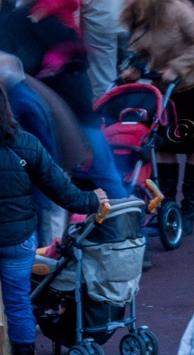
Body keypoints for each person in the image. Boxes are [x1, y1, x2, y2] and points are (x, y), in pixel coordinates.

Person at [0, 80, 109, 355]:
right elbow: (64, 193)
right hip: (18, 238)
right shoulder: (26, 144)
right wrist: (93, 199)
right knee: (18, 302)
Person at [119, 0, 194, 232]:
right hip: (164, 92)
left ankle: (188, 211)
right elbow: (139, 52)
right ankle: (168, 207)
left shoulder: (177, 8)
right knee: (165, 149)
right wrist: (132, 69)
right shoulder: (136, 15)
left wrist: (177, 66)